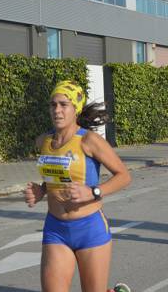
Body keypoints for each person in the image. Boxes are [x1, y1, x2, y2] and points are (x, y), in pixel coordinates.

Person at [24, 80, 132, 292]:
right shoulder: (43, 142)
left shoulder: (89, 141)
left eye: (64, 104)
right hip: (56, 229)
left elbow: (124, 176)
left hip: (90, 228)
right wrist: (41, 190)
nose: (57, 110)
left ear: (76, 109)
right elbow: (56, 175)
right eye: (53, 105)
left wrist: (93, 191)